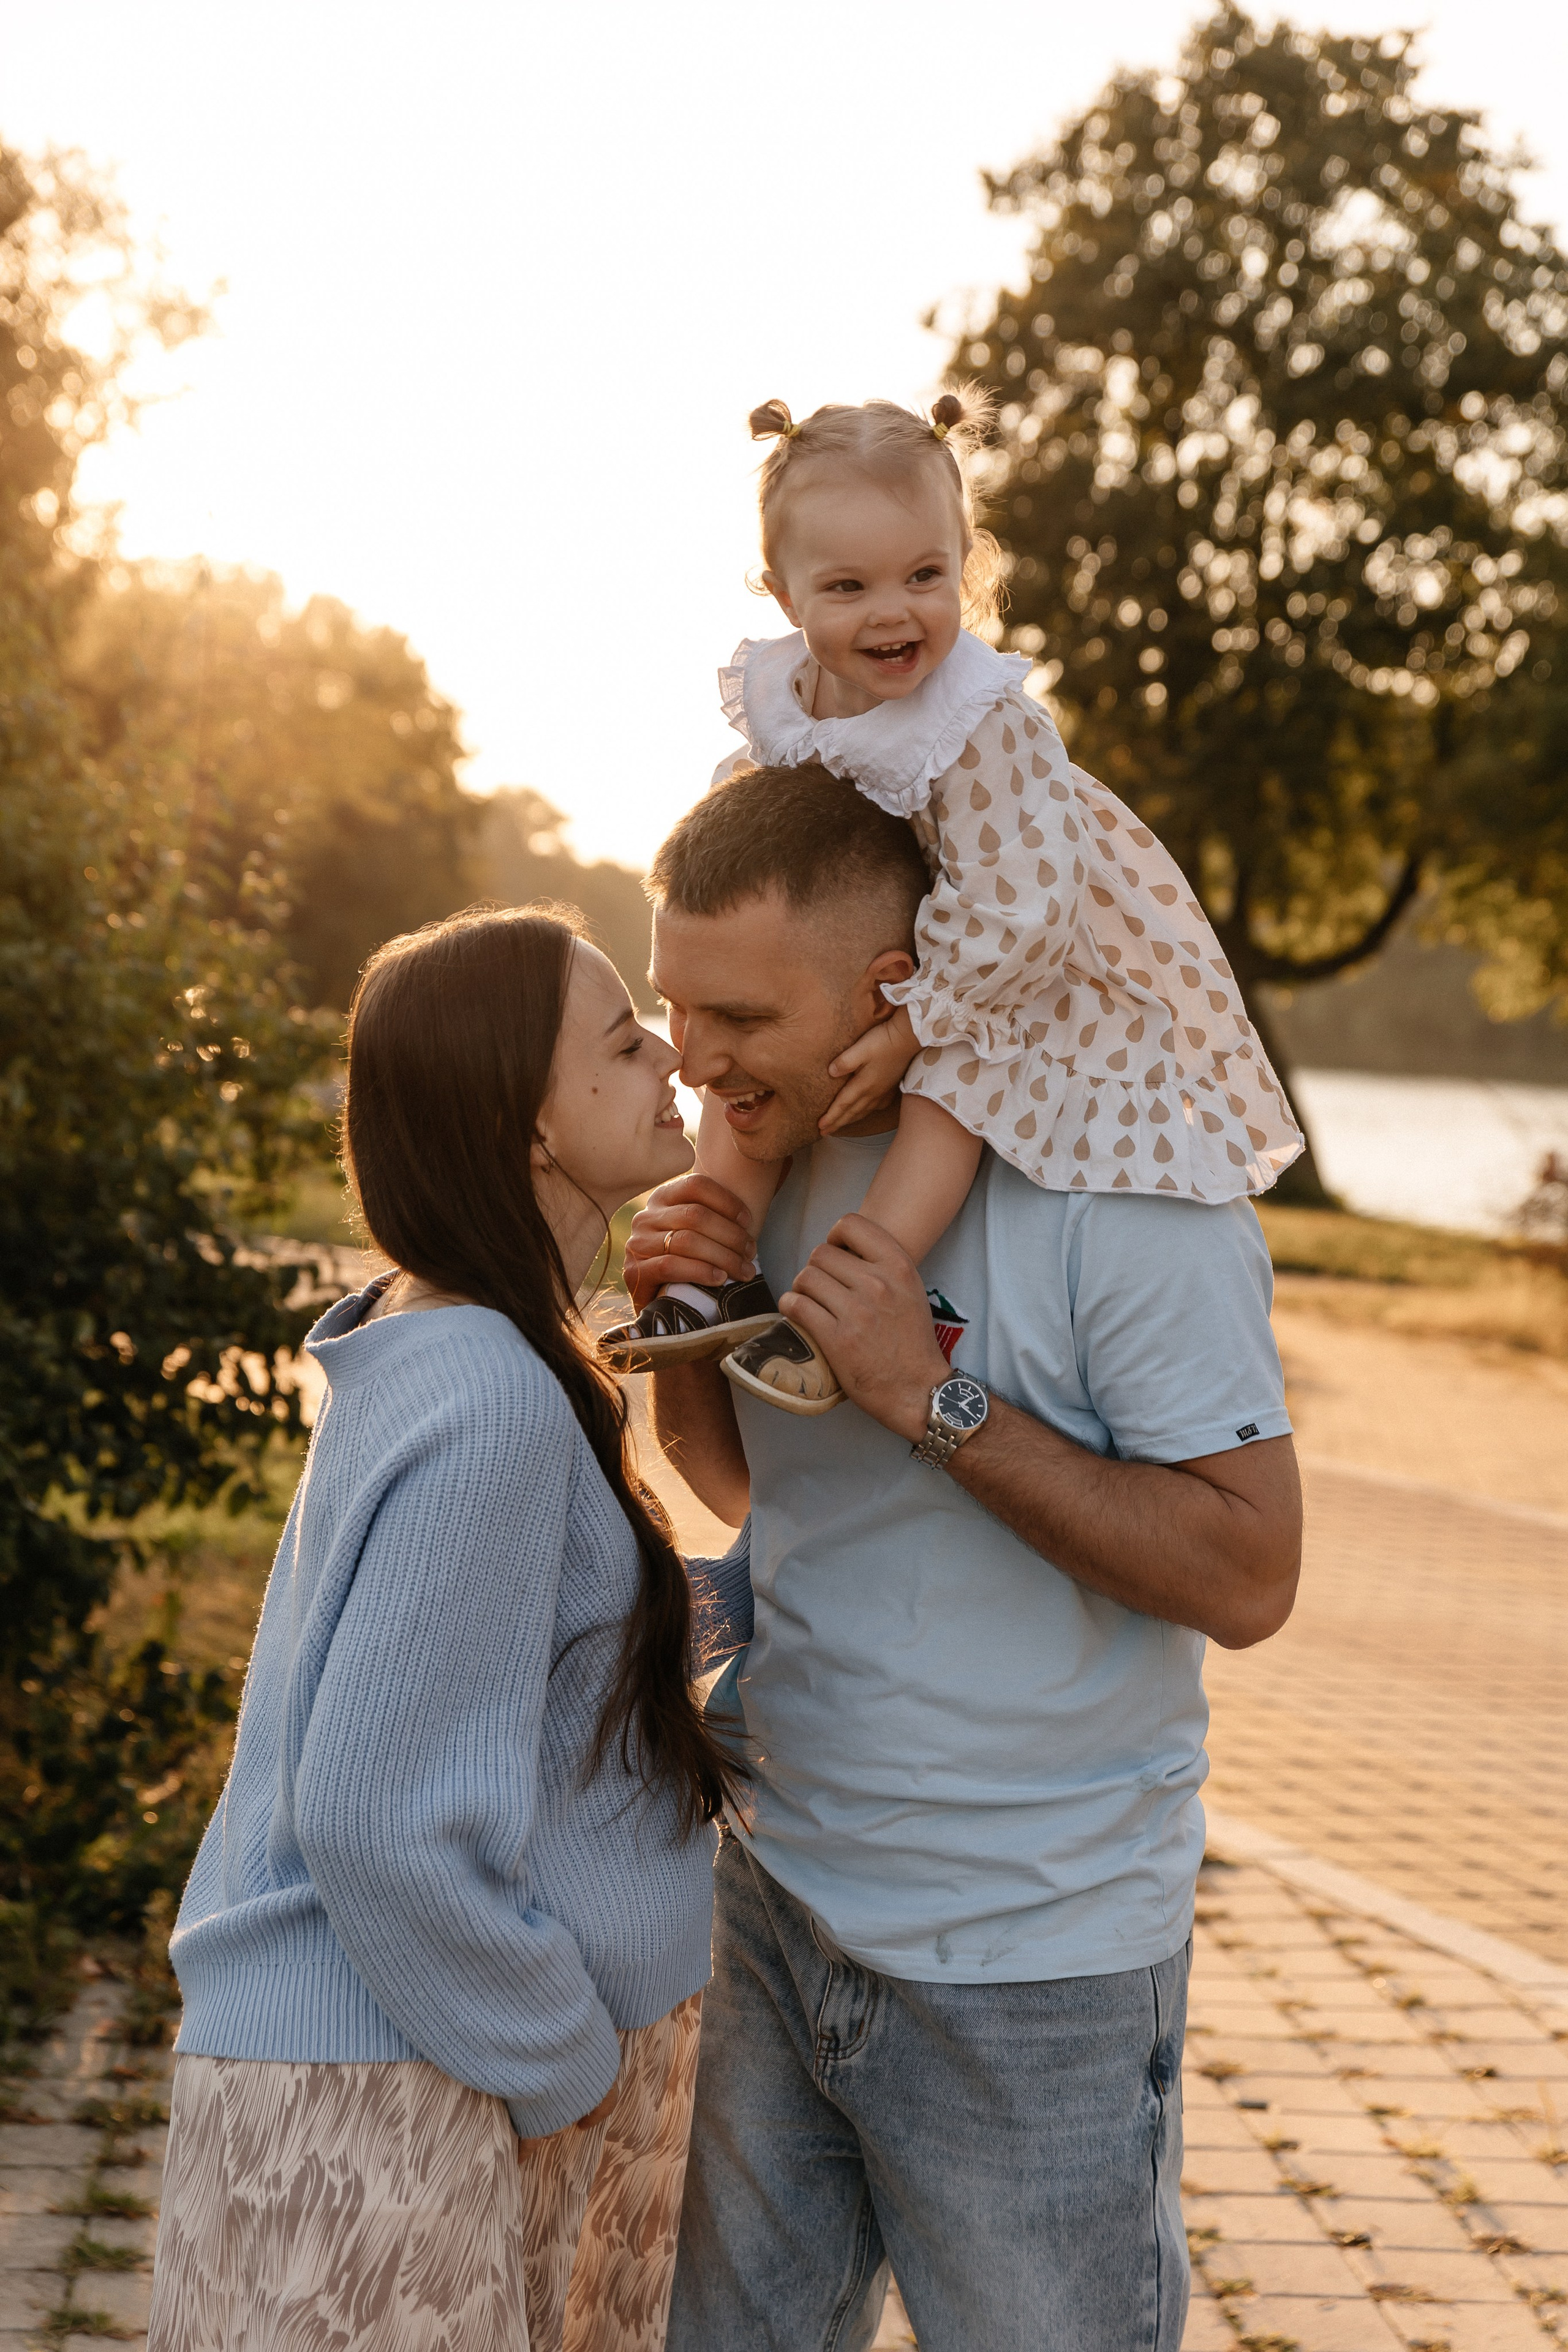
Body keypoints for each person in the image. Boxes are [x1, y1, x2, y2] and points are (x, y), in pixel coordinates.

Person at [623, 762, 1303, 2350]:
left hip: (1034, 1962)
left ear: (894, 987)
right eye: (675, 1010)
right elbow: (749, 1491)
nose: (695, 1064)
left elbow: (1252, 1571)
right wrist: (687, 1328)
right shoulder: (780, 1159)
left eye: (737, 1018)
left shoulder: (1135, 1191)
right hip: (776, 1891)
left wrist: (935, 1402)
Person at [146, 907, 750, 2352]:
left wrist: (780, 1589)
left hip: (406, 2077)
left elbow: (528, 1658)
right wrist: (558, 2063)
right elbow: (371, 1810)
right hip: (414, 2098)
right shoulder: (486, 1395)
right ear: (526, 1128)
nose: (666, 1051)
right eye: (619, 1043)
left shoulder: (459, 1348)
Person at [601, 389, 1302, 1411]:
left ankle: (850, 1306)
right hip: (883, 947)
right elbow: (755, 824)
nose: (894, 613)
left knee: (952, 1093)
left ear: (965, 561)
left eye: (925, 576)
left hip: (1007, 959)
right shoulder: (782, 702)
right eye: (848, 586)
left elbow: (1027, 904)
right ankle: (715, 1274)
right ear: (784, 595)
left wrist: (915, 1022)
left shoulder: (984, 722)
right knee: (732, 1077)